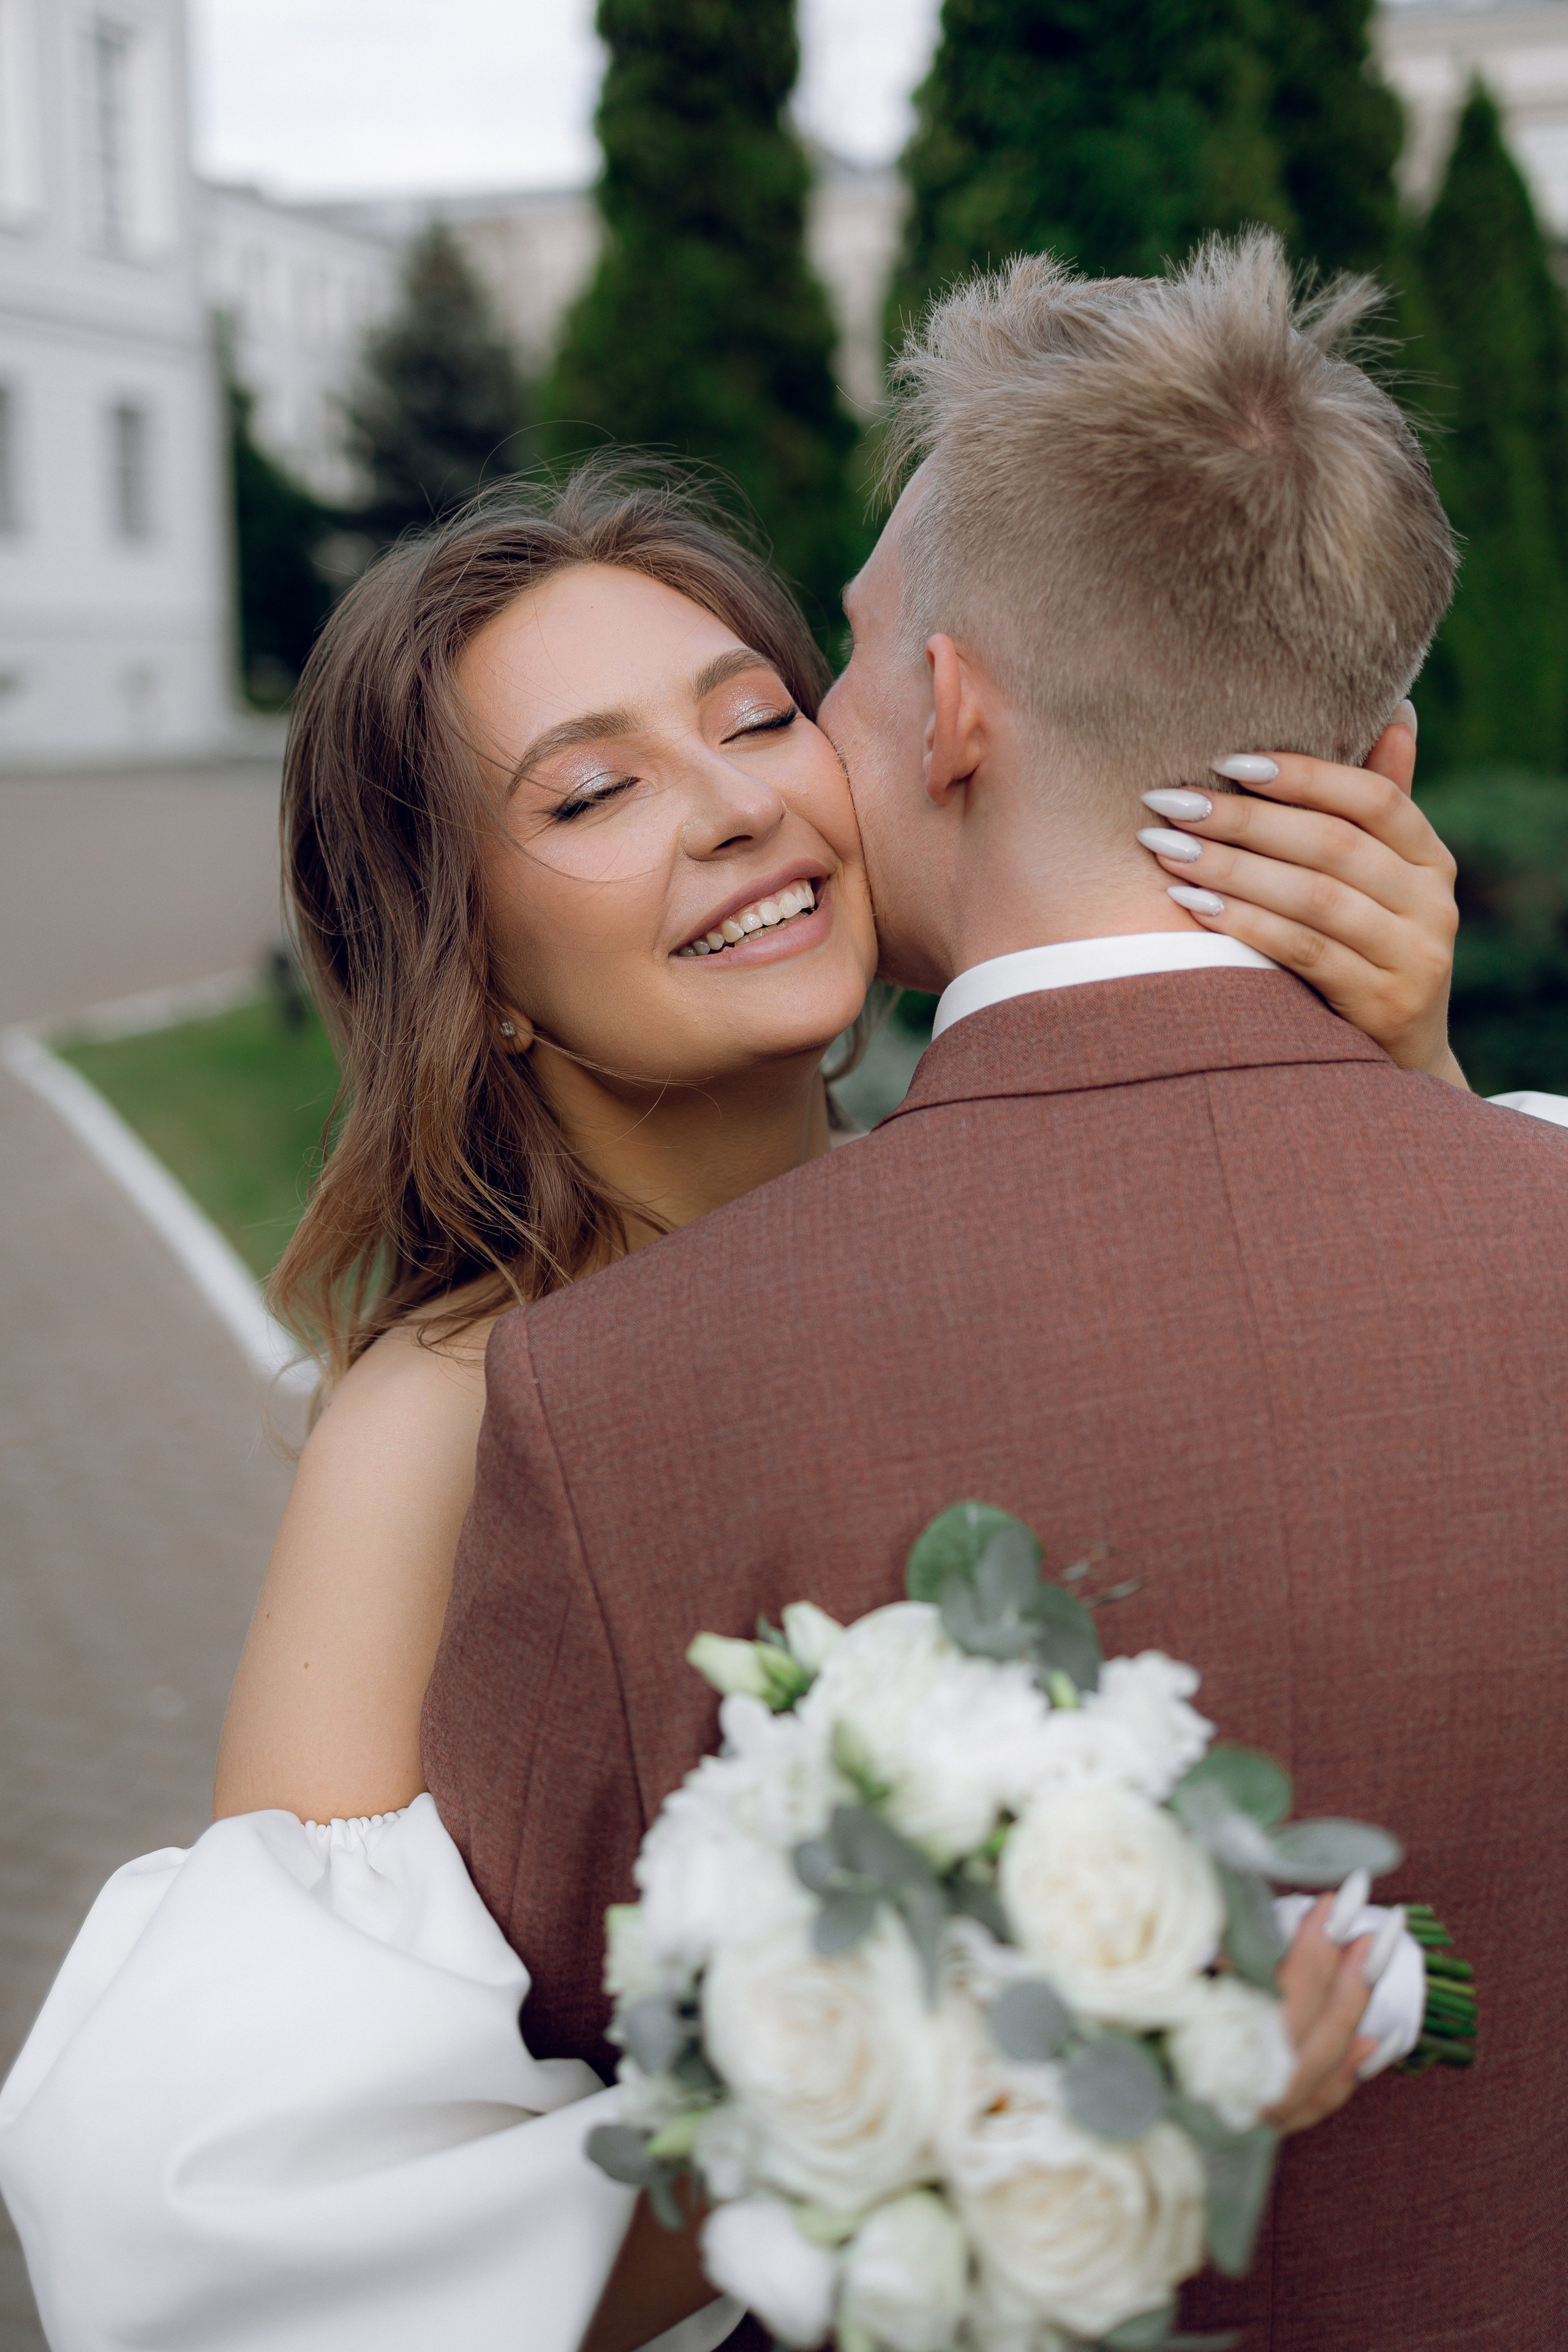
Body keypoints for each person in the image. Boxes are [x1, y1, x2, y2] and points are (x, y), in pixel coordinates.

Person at [0, 243, 1552, 2348]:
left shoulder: (983, 1228)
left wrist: (1404, 1104)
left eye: (757, 710)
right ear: (471, 953)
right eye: (593, 790)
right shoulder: (460, 1412)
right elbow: (275, 2201)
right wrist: (938, 2099)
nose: (739, 801)